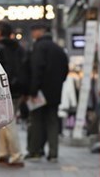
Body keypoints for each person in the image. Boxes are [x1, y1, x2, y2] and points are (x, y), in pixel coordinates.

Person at [25, 23, 68, 163]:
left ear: (40, 31)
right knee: (52, 122)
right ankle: (53, 153)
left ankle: (35, 151)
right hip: (55, 92)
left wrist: (33, 90)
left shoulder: (39, 47)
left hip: (40, 93)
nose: (32, 34)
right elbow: (65, 71)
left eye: (33, 31)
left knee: (36, 121)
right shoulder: (59, 49)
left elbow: (37, 69)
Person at [0, 20, 27, 167]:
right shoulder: (19, 48)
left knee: (8, 122)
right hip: (18, 89)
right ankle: (2, 153)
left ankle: (16, 155)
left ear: (0, 32)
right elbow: (26, 68)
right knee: (4, 122)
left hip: (4, 89)